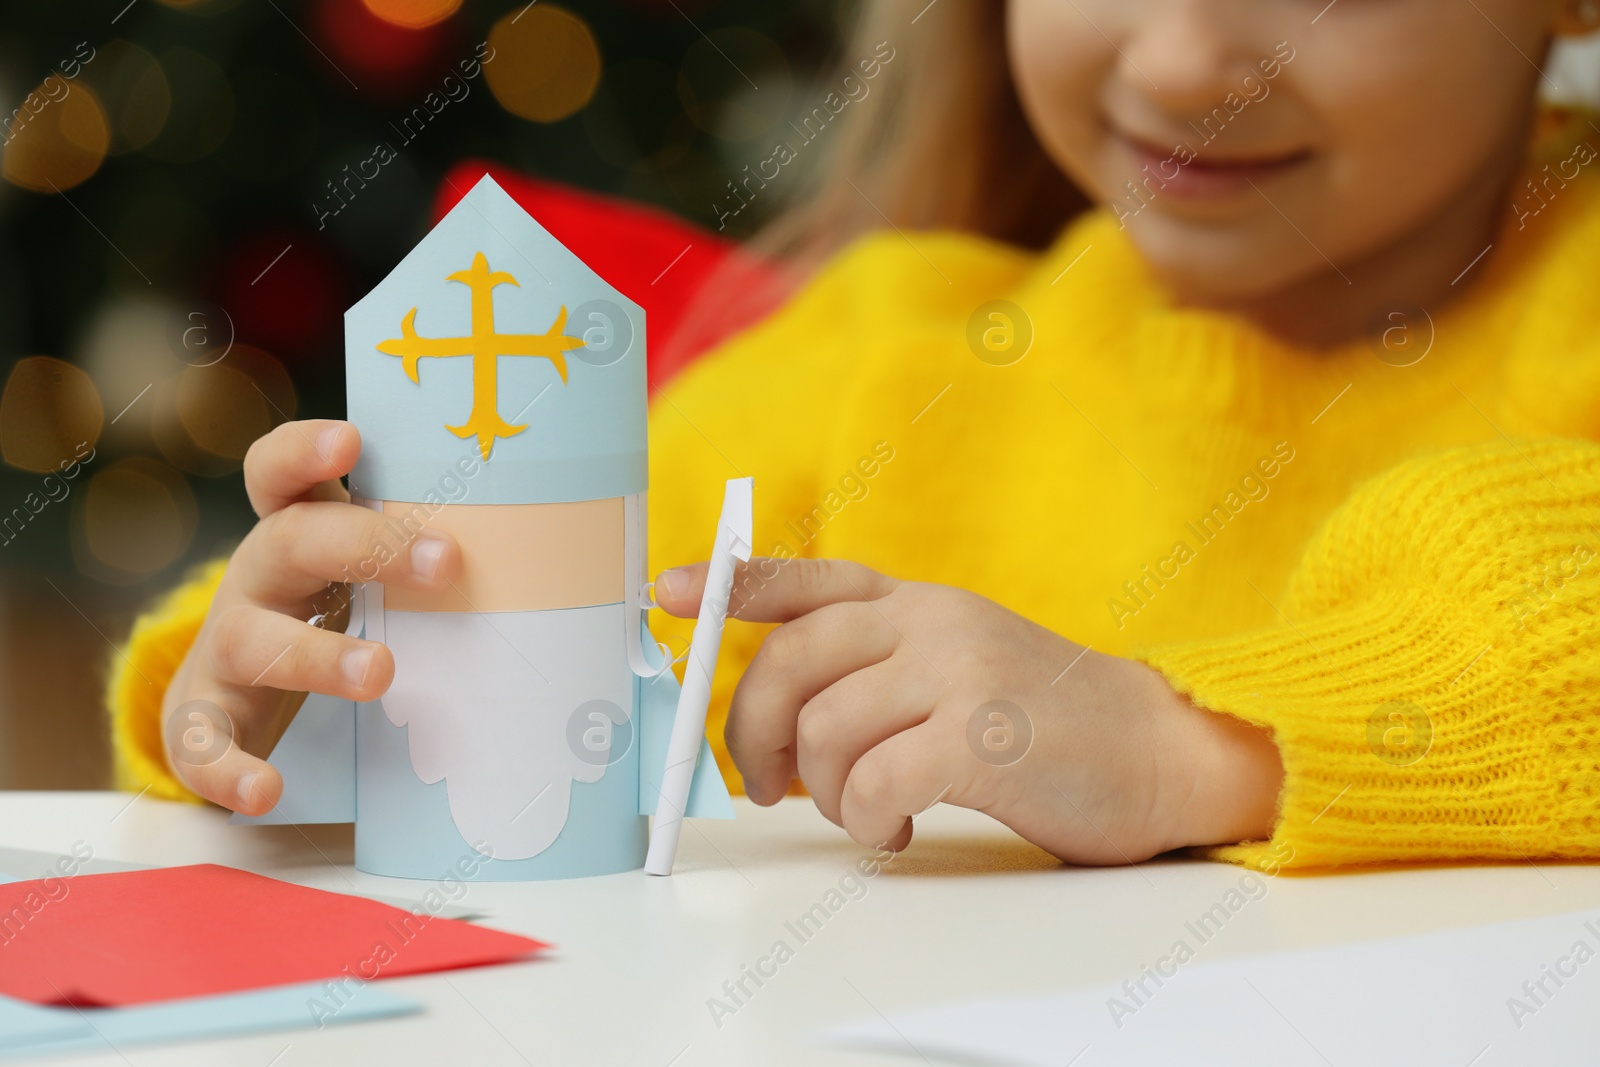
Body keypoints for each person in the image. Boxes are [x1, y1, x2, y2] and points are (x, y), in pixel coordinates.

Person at [110, 0, 1600, 871]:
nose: (1183, 62)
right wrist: (302, 694)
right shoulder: (886, 362)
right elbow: (540, 696)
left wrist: (1178, 740)